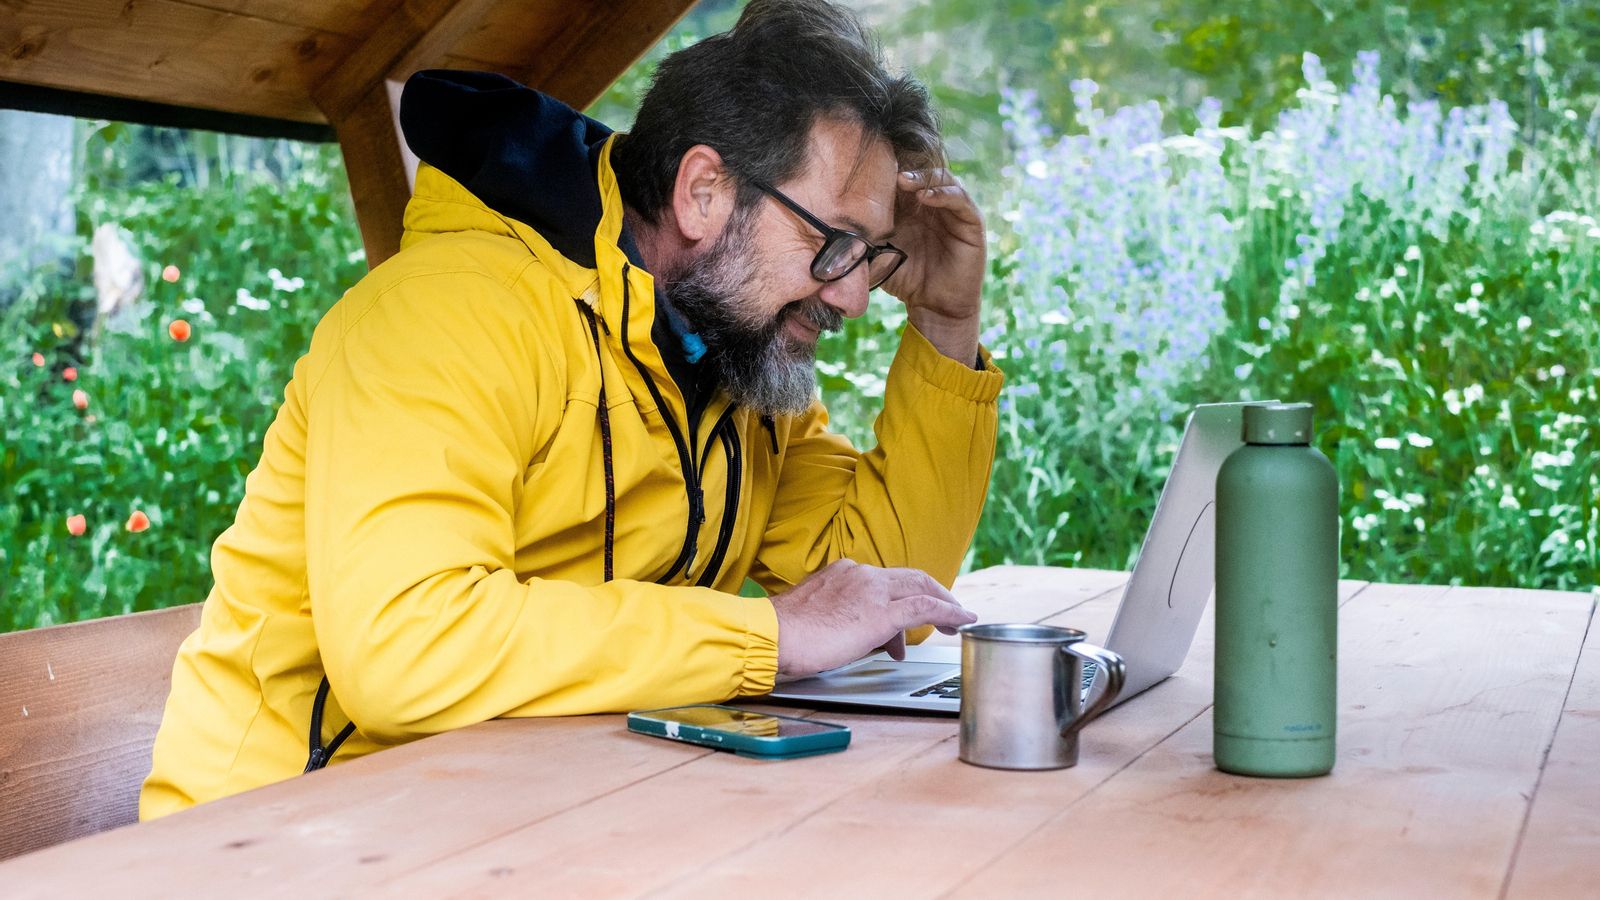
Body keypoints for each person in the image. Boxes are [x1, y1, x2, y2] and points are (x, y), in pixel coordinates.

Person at [140, 0, 1002, 819]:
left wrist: (946, 322)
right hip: (280, 837)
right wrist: (763, 636)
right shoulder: (448, 312)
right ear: (703, 192)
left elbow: (890, 589)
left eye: (872, 255)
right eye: (832, 243)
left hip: (507, 817)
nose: (853, 296)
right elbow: (408, 649)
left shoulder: (731, 359)